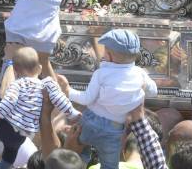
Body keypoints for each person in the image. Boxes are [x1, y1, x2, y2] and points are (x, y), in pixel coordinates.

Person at [0, 47, 80, 169]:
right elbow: (61, 99)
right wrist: (72, 113)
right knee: (11, 150)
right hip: (22, 135)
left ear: (16, 71)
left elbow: (8, 100)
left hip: (9, 126)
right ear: (40, 68)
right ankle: (4, 166)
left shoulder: (18, 84)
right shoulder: (46, 84)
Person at [67, 29, 158, 169]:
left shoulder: (101, 74)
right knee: (110, 166)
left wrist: (67, 91)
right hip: (114, 130)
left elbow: (86, 99)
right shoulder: (140, 74)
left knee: (76, 153)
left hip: (90, 122)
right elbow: (154, 92)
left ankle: (83, 162)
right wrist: (142, 86)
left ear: (108, 55)